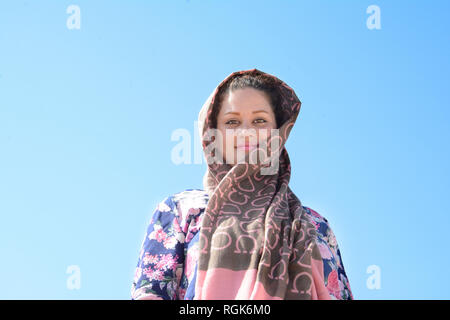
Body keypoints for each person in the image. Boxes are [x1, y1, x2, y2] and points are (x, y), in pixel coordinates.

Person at [130, 68, 354, 300]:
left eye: (259, 120)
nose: (246, 132)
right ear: (213, 134)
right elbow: (151, 294)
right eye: (232, 121)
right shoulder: (181, 210)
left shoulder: (316, 225)